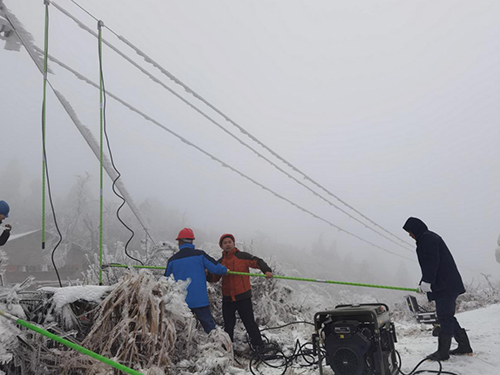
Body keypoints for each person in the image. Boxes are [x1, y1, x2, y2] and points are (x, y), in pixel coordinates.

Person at [403, 217, 473, 360]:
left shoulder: (427, 239)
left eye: (410, 232)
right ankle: (464, 345)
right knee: (447, 316)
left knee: (445, 317)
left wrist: (428, 281)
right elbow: (431, 263)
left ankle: (443, 352)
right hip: (445, 284)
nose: (409, 235)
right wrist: (424, 282)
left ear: (416, 229)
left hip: (446, 285)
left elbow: (431, 261)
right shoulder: (427, 238)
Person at [208, 233, 273, 351]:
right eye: (225, 243)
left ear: (233, 243)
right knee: (228, 326)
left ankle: (259, 346)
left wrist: (266, 270)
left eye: (229, 242)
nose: (228, 245)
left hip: (243, 297)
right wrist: (206, 273)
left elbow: (257, 261)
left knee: (249, 323)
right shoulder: (220, 262)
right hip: (228, 299)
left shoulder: (242, 256)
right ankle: (228, 349)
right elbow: (214, 278)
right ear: (221, 246)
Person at [165, 228, 228, 333]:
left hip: (180, 303)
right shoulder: (200, 255)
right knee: (210, 329)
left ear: (180, 242)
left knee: (181, 332)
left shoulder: (172, 260)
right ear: (192, 241)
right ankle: (218, 345)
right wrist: (225, 270)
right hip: (200, 301)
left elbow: (165, 281)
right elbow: (215, 268)